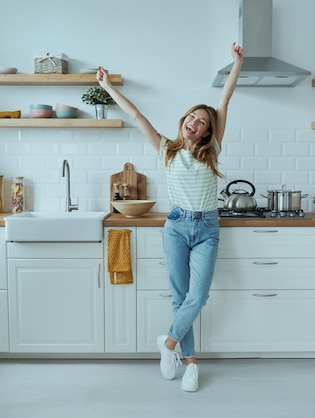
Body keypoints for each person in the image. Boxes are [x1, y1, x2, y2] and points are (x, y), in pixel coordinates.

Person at [97, 42, 243, 392]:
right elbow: (136, 115)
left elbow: (223, 101)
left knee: (198, 296)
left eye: (202, 121)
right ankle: (190, 364)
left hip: (207, 226)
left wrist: (238, 64)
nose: (195, 122)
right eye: (192, 116)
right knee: (180, 299)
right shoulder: (167, 149)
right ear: (185, 122)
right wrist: (107, 87)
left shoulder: (213, 151)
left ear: (209, 132)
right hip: (176, 226)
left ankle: (168, 344)